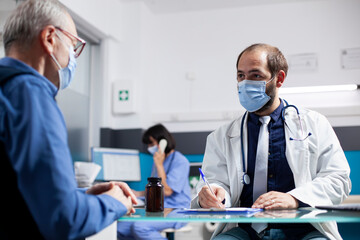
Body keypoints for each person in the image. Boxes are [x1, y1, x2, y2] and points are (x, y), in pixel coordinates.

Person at [0, 0, 137, 239]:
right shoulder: (32, 97)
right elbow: (64, 220)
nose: (73, 60)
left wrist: (82, 197)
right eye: (73, 47)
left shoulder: (7, 90)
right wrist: (114, 202)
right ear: (50, 38)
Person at [191, 43, 351, 240]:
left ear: (279, 79)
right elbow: (215, 181)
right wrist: (212, 193)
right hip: (245, 231)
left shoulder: (314, 124)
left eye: (256, 75)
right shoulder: (222, 136)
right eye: (241, 76)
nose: (245, 83)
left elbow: (338, 180)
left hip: (304, 230)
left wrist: (294, 198)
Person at [117, 124, 191, 240]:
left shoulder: (180, 161)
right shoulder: (158, 162)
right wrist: (138, 194)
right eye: (148, 144)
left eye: (151, 143)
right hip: (157, 208)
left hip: (177, 210)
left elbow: (166, 191)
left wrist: (159, 164)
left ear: (163, 141)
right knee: (120, 229)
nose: (149, 147)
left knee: (140, 227)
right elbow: (155, 189)